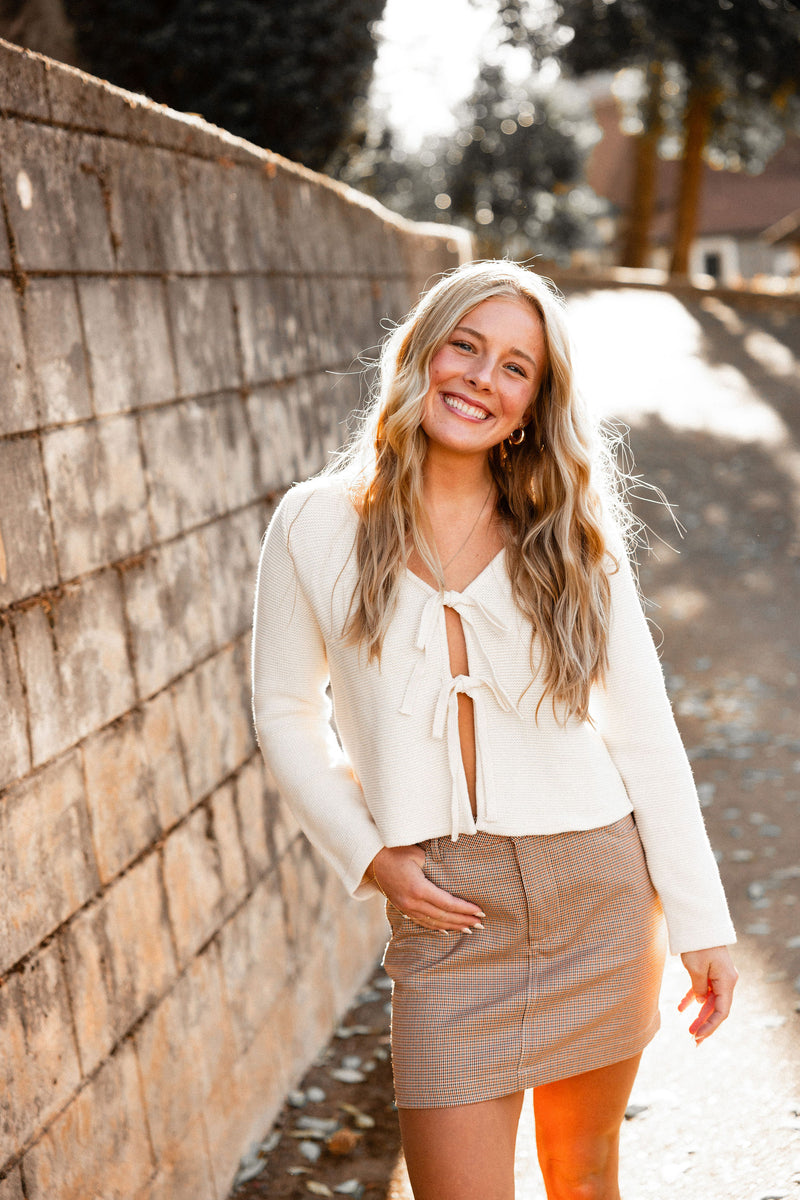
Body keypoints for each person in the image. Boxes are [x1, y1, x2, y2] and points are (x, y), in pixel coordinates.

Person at [251, 260, 737, 1200]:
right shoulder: (313, 524)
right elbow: (282, 712)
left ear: (532, 405)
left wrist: (702, 926)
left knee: (584, 1177)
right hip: (446, 913)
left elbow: (643, 734)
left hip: (594, 890)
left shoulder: (574, 536)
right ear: (420, 354)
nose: (482, 377)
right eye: (465, 346)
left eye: (515, 367)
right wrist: (369, 854)